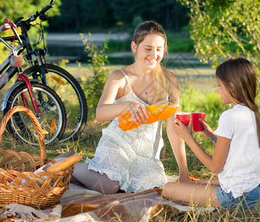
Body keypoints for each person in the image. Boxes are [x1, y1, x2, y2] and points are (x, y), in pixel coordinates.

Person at [70, 21, 189, 194]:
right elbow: (100, 113)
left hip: (147, 154)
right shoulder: (119, 77)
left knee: (150, 189)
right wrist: (126, 105)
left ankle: (82, 172)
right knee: (111, 185)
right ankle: (68, 165)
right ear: (135, 47)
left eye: (159, 49)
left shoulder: (170, 80)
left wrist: (183, 172)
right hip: (117, 143)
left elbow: (174, 129)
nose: (154, 55)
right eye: (148, 49)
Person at [162, 57, 260, 210]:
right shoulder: (254, 113)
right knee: (194, 183)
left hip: (232, 197)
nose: (217, 90)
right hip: (254, 191)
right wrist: (211, 135)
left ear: (231, 87)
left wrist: (188, 138)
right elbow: (235, 149)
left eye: (219, 85)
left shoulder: (229, 117)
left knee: (167, 189)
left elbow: (215, 167)